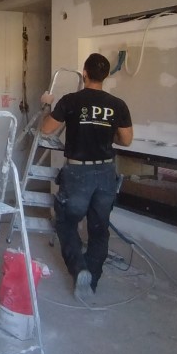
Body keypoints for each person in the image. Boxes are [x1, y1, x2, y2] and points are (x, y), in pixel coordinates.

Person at [40, 53, 133, 301]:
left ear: (84, 73)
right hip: (106, 173)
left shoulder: (71, 100)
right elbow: (126, 140)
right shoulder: (118, 104)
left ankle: (79, 269)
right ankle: (91, 281)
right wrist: (106, 132)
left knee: (66, 222)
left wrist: (47, 104)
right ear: (106, 75)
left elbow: (46, 129)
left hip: (78, 173)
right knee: (99, 229)